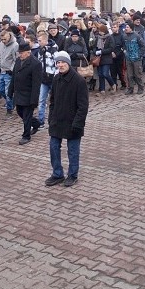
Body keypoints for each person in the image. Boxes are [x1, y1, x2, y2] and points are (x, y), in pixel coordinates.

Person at [46, 52, 89, 188]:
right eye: (58, 62)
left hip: (73, 121)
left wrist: (77, 123)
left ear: (68, 63)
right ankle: (57, 174)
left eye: (63, 62)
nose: (60, 65)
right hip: (57, 120)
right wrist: (51, 117)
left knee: (73, 150)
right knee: (53, 147)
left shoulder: (79, 81)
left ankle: (72, 175)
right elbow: (52, 101)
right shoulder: (56, 79)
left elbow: (83, 106)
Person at [8, 40, 42, 145]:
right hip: (19, 93)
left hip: (29, 94)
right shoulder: (18, 61)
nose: (20, 54)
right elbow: (14, 77)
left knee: (27, 116)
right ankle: (36, 123)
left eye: (22, 53)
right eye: (19, 53)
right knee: (20, 112)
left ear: (28, 52)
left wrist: (34, 100)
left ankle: (26, 136)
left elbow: (36, 84)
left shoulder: (35, 64)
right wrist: (10, 91)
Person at [0, 31, 18, 116]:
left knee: (7, 91)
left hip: (9, 72)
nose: (3, 41)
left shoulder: (15, 45)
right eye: (2, 39)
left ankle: (9, 108)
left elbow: (16, 59)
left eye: (4, 39)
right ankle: (12, 102)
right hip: (1, 70)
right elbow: (0, 56)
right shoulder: (1, 44)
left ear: (9, 36)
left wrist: (12, 69)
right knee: (0, 90)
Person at [121, 23, 145, 94]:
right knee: (129, 75)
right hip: (128, 58)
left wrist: (139, 55)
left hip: (136, 58)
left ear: (131, 28)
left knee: (137, 74)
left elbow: (143, 46)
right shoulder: (124, 37)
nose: (126, 28)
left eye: (127, 27)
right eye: (126, 27)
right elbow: (123, 46)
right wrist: (125, 51)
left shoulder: (137, 36)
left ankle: (140, 87)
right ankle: (130, 88)